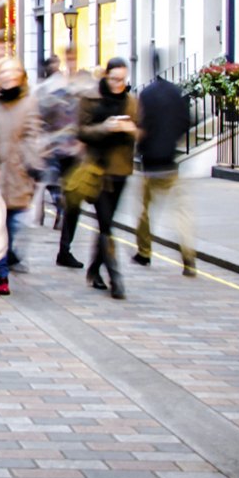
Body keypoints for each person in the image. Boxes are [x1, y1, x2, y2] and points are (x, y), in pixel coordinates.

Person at [77, 57, 141, 300]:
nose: (118, 84)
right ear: (105, 77)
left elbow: (141, 132)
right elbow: (81, 131)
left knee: (106, 224)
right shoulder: (90, 99)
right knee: (106, 224)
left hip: (121, 171)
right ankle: (116, 278)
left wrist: (130, 129)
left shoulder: (131, 102)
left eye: (122, 80)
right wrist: (105, 127)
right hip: (97, 171)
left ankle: (94, 270)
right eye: (114, 79)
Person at [135, 56, 196, 277]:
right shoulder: (175, 92)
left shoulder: (146, 94)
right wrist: (172, 141)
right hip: (171, 162)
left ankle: (144, 252)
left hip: (151, 164)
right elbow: (186, 121)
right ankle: (188, 255)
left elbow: (141, 126)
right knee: (181, 213)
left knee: (145, 212)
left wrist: (142, 148)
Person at [0, 58, 44, 296]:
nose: (9, 76)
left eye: (14, 72)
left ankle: (6, 256)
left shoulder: (29, 103)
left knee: (12, 224)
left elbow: (32, 135)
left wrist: (34, 164)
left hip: (19, 172)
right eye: (5, 72)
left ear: (21, 76)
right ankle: (2, 276)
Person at [36, 49, 92, 268]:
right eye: (67, 59)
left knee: (73, 203)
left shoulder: (84, 86)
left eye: (73, 59)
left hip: (74, 154)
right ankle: (12, 250)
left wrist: (84, 140)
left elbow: (89, 116)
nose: (70, 62)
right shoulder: (50, 88)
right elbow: (39, 117)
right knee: (38, 197)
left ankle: (65, 250)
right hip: (52, 153)